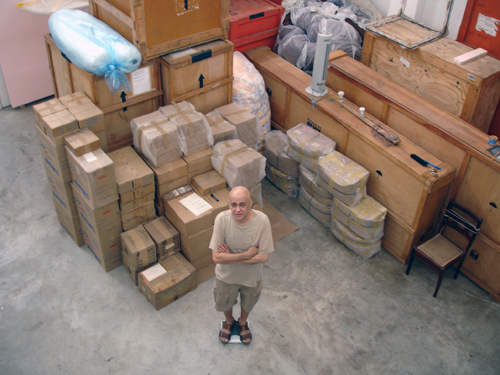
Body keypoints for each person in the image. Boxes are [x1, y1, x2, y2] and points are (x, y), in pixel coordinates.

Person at [210, 186, 274, 345]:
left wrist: (230, 256)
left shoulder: (262, 221)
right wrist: (246, 255)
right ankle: (229, 320)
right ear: (228, 204)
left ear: (250, 203)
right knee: (224, 301)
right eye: (234, 205)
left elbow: (264, 256)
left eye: (242, 205)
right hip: (226, 276)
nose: (237, 210)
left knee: (249, 302)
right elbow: (216, 257)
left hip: (252, 277)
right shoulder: (222, 220)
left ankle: (243, 321)